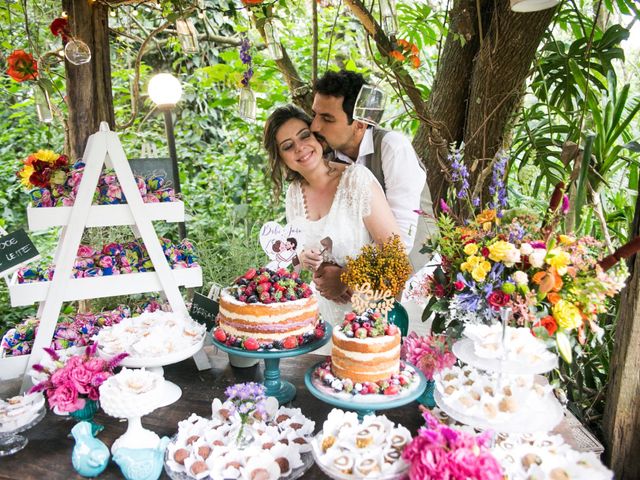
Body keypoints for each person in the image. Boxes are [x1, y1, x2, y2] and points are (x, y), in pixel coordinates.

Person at [264, 104, 400, 331]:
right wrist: (303, 258)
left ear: (317, 136)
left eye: (304, 135)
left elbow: (397, 261)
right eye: (288, 146)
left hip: (368, 321)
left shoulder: (356, 180)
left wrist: (347, 279)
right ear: (281, 159)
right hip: (319, 321)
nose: (300, 148)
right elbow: (297, 258)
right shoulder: (294, 195)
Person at [310, 70, 437, 298]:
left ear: (359, 124)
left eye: (327, 119)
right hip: (357, 294)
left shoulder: (392, 148)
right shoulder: (325, 158)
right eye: (315, 115)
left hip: (416, 285)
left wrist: (347, 276)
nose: (315, 127)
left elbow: (402, 244)